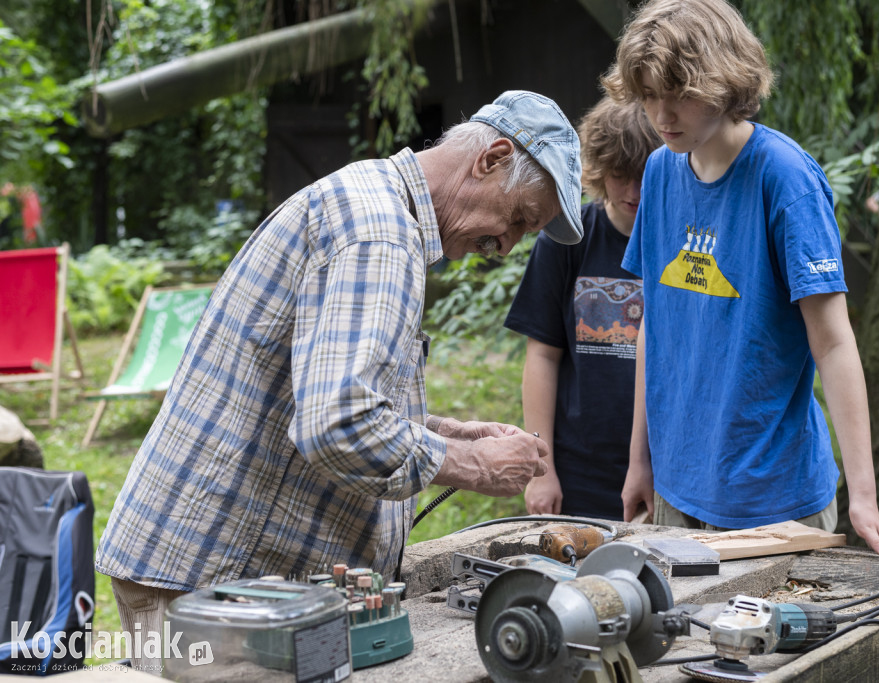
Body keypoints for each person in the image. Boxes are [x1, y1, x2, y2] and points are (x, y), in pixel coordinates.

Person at [94, 90, 583, 674]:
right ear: (491, 158)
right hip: (215, 588)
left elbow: (321, 395)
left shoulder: (372, 204)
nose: (505, 247)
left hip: (215, 577)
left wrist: (452, 431)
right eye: (520, 219)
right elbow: (337, 424)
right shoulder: (378, 235)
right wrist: (472, 466)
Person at [602, 0, 879, 556]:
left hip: (774, 498)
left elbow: (835, 341)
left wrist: (863, 496)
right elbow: (654, 321)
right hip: (677, 490)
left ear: (723, 80)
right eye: (649, 95)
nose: (661, 113)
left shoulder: (787, 178)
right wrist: (640, 461)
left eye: (678, 93)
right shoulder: (657, 171)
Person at [504, 96, 661, 520]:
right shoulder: (568, 240)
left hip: (666, 472)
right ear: (598, 169)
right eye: (620, 175)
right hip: (579, 471)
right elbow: (542, 355)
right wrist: (542, 469)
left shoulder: (682, 243)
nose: (633, 191)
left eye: (645, 177)